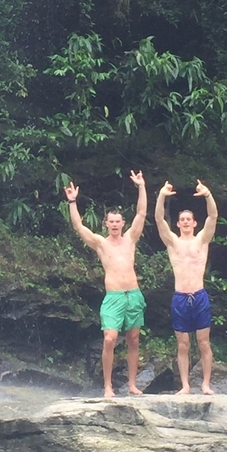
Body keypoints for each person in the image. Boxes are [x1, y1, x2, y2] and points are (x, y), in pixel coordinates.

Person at [63, 171, 147, 398]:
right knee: (110, 338)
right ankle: (108, 386)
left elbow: (141, 213)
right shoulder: (101, 243)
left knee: (133, 339)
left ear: (123, 223)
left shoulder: (130, 238)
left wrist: (141, 186)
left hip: (133, 294)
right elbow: (79, 227)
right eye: (111, 222)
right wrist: (72, 201)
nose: (115, 225)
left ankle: (132, 384)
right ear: (106, 224)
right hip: (114, 297)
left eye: (118, 222)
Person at [155, 180, 218, 395]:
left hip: (199, 295)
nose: (185, 222)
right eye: (182, 220)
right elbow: (158, 219)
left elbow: (213, 217)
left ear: (194, 222)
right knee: (183, 344)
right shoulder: (173, 242)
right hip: (180, 297)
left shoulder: (202, 240)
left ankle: (206, 384)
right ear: (178, 224)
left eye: (188, 219)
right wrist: (162, 195)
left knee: (203, 342)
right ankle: (185, 385)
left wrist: (207, 194)